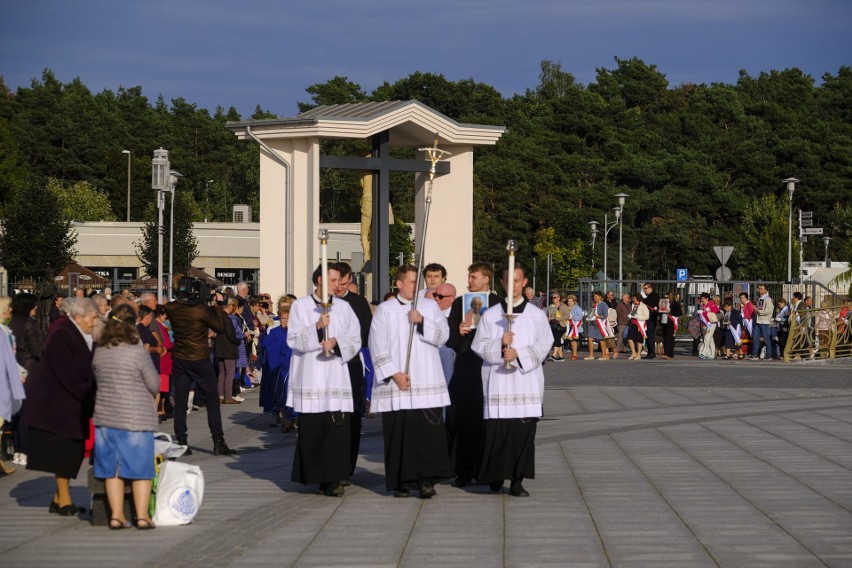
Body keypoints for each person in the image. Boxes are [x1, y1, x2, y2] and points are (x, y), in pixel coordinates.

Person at [370, 264, 451, 498]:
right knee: (401, 435)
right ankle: (402, 481)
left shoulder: (428, 306)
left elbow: (444, 335)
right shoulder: (385, 310)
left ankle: (427, 481)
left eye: (418, 281)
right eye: (413, 281)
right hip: (398, 382)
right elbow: (377, 344)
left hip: (426, 379)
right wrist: (394, 373)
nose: (418, 286)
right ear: (399, 283)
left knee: (427, 434)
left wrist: (423, 321)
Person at [472, 262, 551, 497]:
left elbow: (545, 344)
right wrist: (499, 346)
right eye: (509, 281)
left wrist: (519, 355)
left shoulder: (536, 315)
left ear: (524, 282)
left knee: (521, 435)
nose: (513, 285)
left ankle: (517, 480)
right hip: (498, 381)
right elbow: (478, 344)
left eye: (518, 281)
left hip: (525, 381)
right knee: (497, 433)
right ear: (502, 283)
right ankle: (496, 475)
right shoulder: (490, 314)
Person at [288, 265, 361, 496]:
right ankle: (316, 475)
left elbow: (355, 338)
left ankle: (335, 479)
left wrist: (336, 343)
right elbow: (294, 340)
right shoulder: (300, 306)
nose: (338, 285)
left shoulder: (345, 307)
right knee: (314, 428)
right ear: (319, 279)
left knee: (336, 428)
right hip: (311, 375)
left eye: (340, 281)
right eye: (333, 280)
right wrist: (317, 328)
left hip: (335, 375)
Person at [25, 298, 97, 516]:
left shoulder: (76, 333)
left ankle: (59, 499)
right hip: (57, 404)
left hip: (69, 404)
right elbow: (67, 373)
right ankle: (63, 500)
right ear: (79, 317)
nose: (94, 323)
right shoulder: (63, 334)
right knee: (63, 453)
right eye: (92, 318)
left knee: (69, 452)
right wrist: (89, 396)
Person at [91, 304, 160, 530]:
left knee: (113, 469)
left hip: (106, 416)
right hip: (136, 416)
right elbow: (154, 383)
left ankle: (116, 515)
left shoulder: (100, 350)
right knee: (141, 468)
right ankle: (141, 517)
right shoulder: (137, 351)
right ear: (132, 324)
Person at [445, 262, 501, 487]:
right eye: (469, 277)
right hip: (467, 363)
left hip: (489, 365)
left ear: (486, 279)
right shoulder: (460, 303)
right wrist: (458, 332)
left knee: (489, 419)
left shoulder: (498, 304)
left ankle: (489, 470)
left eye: (473, 277)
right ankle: (464, 470)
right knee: (463, 417)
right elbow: (449, 338)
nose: (469, 281)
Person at [165, 281, 236, 456]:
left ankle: (181, 442)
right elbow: (219, 327)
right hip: (199, 357)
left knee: (181, 401)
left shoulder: (171, 308)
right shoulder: (200, 309)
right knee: (212, 400)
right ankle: (218, 442)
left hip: (180, 358)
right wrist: (216, 306)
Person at [332, 261, 373, 477]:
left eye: (344, 284)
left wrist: (341, 341)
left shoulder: (358, 303)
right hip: (325, 366)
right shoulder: (321, 302)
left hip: (350, 364)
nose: (339, 288)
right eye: (337, 283)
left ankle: (348, 464)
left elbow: (366, 334)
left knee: (351, 414)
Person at [9, 293, 44, 467]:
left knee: (16, 412)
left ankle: (17, 449)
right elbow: (38, 350)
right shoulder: (30, 325)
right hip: (29, 371)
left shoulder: (9, 323)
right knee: (26, 412)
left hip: (12, 369)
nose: (36, 308)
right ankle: (25, 449)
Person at [259, 296, 295, 431]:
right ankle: (280, 415)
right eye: (283, 317)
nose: (285, 320)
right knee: (279, 392)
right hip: (278, 366)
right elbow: (267, 344)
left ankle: (292, 419)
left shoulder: (296, 328)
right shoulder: (273, 325)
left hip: (290, 366)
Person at [213, 298, 242, 404]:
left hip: (220, 348)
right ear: (229, 306)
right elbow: (230, 334)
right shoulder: (226, 317)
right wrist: (238, 341)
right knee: (230, 373)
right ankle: (228, 396)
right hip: (228, 348)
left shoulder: (218, 316)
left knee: (222, 373)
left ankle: (220, 395)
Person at [154, 305, 174, 420]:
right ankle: (159, 410)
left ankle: (161, 409)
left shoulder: (162, 325)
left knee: (164, 388)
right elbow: (165, 343)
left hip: (167, 360)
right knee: (161, 388)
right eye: (164, 314)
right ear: (160, 315)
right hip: (163, 360)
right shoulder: (158, 326)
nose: (166, 317)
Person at [586, 290, 614, 360]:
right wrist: (589, 317)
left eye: (595, 296)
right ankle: (591, 355)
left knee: (602, 340)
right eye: (594, 296)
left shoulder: (604, 304)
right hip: (594, 324)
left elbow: (605, 315)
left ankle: (604, 355)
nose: (594, 297)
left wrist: (596, 317)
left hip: (601, 324)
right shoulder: (594, 305)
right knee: (590, 338)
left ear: (600, 297)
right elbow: (591, 313)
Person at [752, 284, 774, 360]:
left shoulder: (767, 299)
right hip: (759, 321)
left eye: (761, 289)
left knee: (766, 338)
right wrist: (757, 310)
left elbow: (769, 310)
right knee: (755, 337)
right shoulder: (761, 299)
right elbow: (760, 309)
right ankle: (755, 354)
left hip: (764, 322)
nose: (759, 290)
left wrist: (758, 310)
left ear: (765, 290)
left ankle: (769, 355)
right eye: (759, 289)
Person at [626, 293, 650, 361]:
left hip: (640, 325)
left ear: (638, 298)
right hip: (633, 324)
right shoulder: (634, 305)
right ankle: (634, 353)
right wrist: (630, 315)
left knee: (639, 340)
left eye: (634, 298)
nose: (633, 299)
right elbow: (633, 313)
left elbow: (647, 316)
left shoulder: (643, 306)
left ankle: (638, 354)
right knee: (629, 338)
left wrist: (637, 317)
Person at [698, 293, 721, 360]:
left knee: (707, 338)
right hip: (706, 324)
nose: (701, 300)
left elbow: (718, 313)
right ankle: (712, 354)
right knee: (710, 340)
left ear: (707, 299)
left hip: (712, 324)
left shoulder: (711, 305)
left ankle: (703, 353)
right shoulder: (703, 305)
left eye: (702, 298)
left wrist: (706, 312)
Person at [641, 283, 660, 359]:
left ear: (650, 288)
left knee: (650, 336)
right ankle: (649, 352)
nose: (644, 290)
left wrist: (644, 299)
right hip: (646, 318)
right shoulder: (648, 296)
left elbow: (653, 304)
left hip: (652, 318)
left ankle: (652, 353)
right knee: (647, 336)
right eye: (644, 288)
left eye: (645, 288)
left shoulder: (655, 295)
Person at [547, 293, 567, 361]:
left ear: (559, 298)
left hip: (561, 325)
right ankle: (561, 357)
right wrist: (548, 318)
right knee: (556, 339)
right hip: (553, 325)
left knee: (556, 338)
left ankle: (554, 355)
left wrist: (559, 318)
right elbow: (547, 314)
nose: (553, 299)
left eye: (555, 297)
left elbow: (567, 316)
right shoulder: (551, 306)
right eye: (552, 298)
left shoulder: (563, 306)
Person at [562, 295, 584, 360]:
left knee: (573, 341)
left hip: (576, 328)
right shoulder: (566, 308)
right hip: (569, 327)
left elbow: (579, 317)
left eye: (570, 301)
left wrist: (571, 316)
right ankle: (573, 355)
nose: (569, 302)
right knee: (570, 341)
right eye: (568, 301)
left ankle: (575, 355)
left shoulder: (578, 308)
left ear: (574, 301)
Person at [658, 292, 677, 359]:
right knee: (665, 338)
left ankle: (668, 353)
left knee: (669, 338)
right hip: (664, 321)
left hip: (671, 322)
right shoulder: (662, 303)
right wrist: (659, 310)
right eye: (665, 297)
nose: (665, 299)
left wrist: (670, 311)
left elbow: (679, 312)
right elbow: (660, 311)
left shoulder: (674, 303)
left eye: (667, 297)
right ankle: (668, 353)